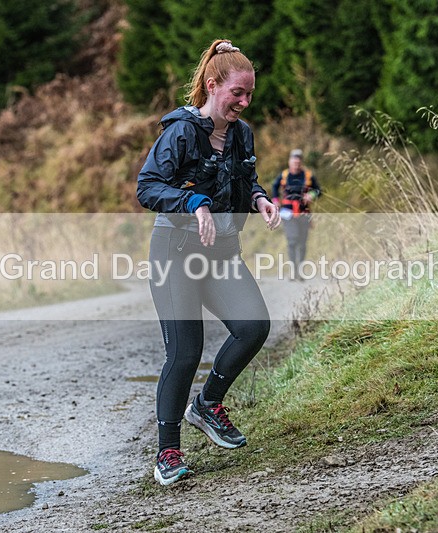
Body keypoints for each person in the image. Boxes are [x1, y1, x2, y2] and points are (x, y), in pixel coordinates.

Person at [137, 39, 280, 486]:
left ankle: (207, 405)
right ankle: (168, 453)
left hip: (220, 253)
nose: (244, 101)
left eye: (249, 94)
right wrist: (192, 202)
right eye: (237, 92)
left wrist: (259, 198)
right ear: (213, 85)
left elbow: (245, 177)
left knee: (253, 326)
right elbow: (148, 186)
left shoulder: (241, 133)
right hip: (175, 251)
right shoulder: (181, 132)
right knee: (184, 353)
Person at [272, 149, 321, 278]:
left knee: (302, 243)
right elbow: (274, 187)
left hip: (304, 212)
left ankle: (300, 269)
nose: (296, 164)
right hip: (287, 213)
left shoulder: (308, 175)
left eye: (298, 162)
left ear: (301, 163)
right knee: (292, 240)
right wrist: (275, 200)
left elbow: (318, 190)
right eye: (294, 161)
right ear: (290, 162)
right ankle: (293, 270)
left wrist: (311, 195)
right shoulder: (284, 175)